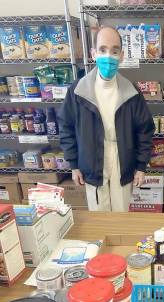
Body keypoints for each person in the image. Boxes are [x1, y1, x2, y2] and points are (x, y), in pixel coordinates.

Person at [58, 26, 155, 211]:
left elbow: (145, 130)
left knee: (120, 214)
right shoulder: (78, 92)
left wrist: (141, 166)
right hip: (91, 161)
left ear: (122, 56)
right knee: (98, 215)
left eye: (114, 51)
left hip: (122, 160)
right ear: (93, 53)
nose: (108, 56)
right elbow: (66, 128)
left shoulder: (131, 93)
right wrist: (74, 165)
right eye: (102, 50)